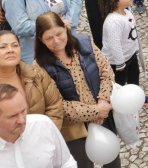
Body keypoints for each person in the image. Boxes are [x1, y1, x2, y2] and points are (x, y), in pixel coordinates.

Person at [34, 12, 121, 168]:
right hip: (74, 128)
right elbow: (57, 104)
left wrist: (102, 101)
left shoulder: (85, 43)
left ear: (65, 28)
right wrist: (95, 111)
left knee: (111, 159)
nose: (56, 41)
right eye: (49, 38)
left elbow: (106, 71)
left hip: (103, 115)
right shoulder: (40, 67)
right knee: (82, 164)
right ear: (41, 40)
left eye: (59, 34)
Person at [0, 83, 75, 168]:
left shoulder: (44, 125)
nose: (22, 120)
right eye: (13, 116)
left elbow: (66, 163)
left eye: (23, 111)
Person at [0, 30, 63, 124]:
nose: (10, 50)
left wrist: (43, 132)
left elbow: (55, 107)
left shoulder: (37, 74)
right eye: (3, 47)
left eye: (15, 45)